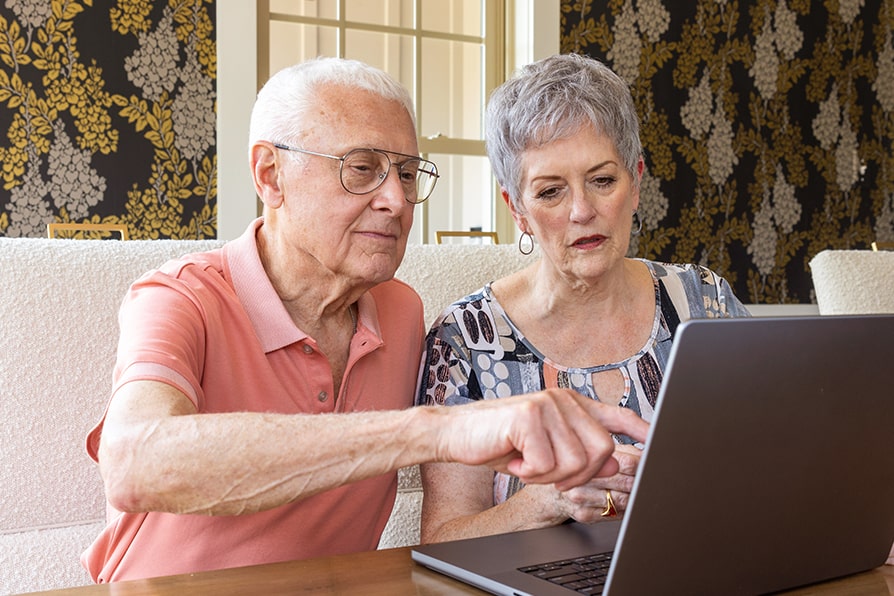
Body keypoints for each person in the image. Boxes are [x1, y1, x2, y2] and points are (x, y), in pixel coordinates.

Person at [80, 56, 649, 583]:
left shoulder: (401, 313)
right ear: (269, 176)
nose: (397, 202)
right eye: (362, 168)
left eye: (405, 174)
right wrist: (439, 429)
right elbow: (133, 464)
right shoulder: (179, 298)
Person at [415, 53, 752, 543]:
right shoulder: (464, 340)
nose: (581, 210)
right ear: (517, 209)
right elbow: (441, 540)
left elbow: (783, 451)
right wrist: (545, 502)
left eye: (602, 181)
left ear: (635, 182)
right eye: (550, 192)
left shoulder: (703, 299)